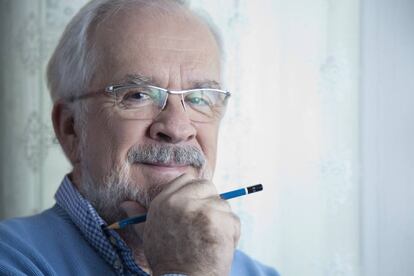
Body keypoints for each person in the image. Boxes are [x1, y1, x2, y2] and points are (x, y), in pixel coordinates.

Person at [0, 0, 279, 275]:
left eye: (199, 98)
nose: (177, 128)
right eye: (138, 95)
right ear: (71, 128)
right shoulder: (11, 260)